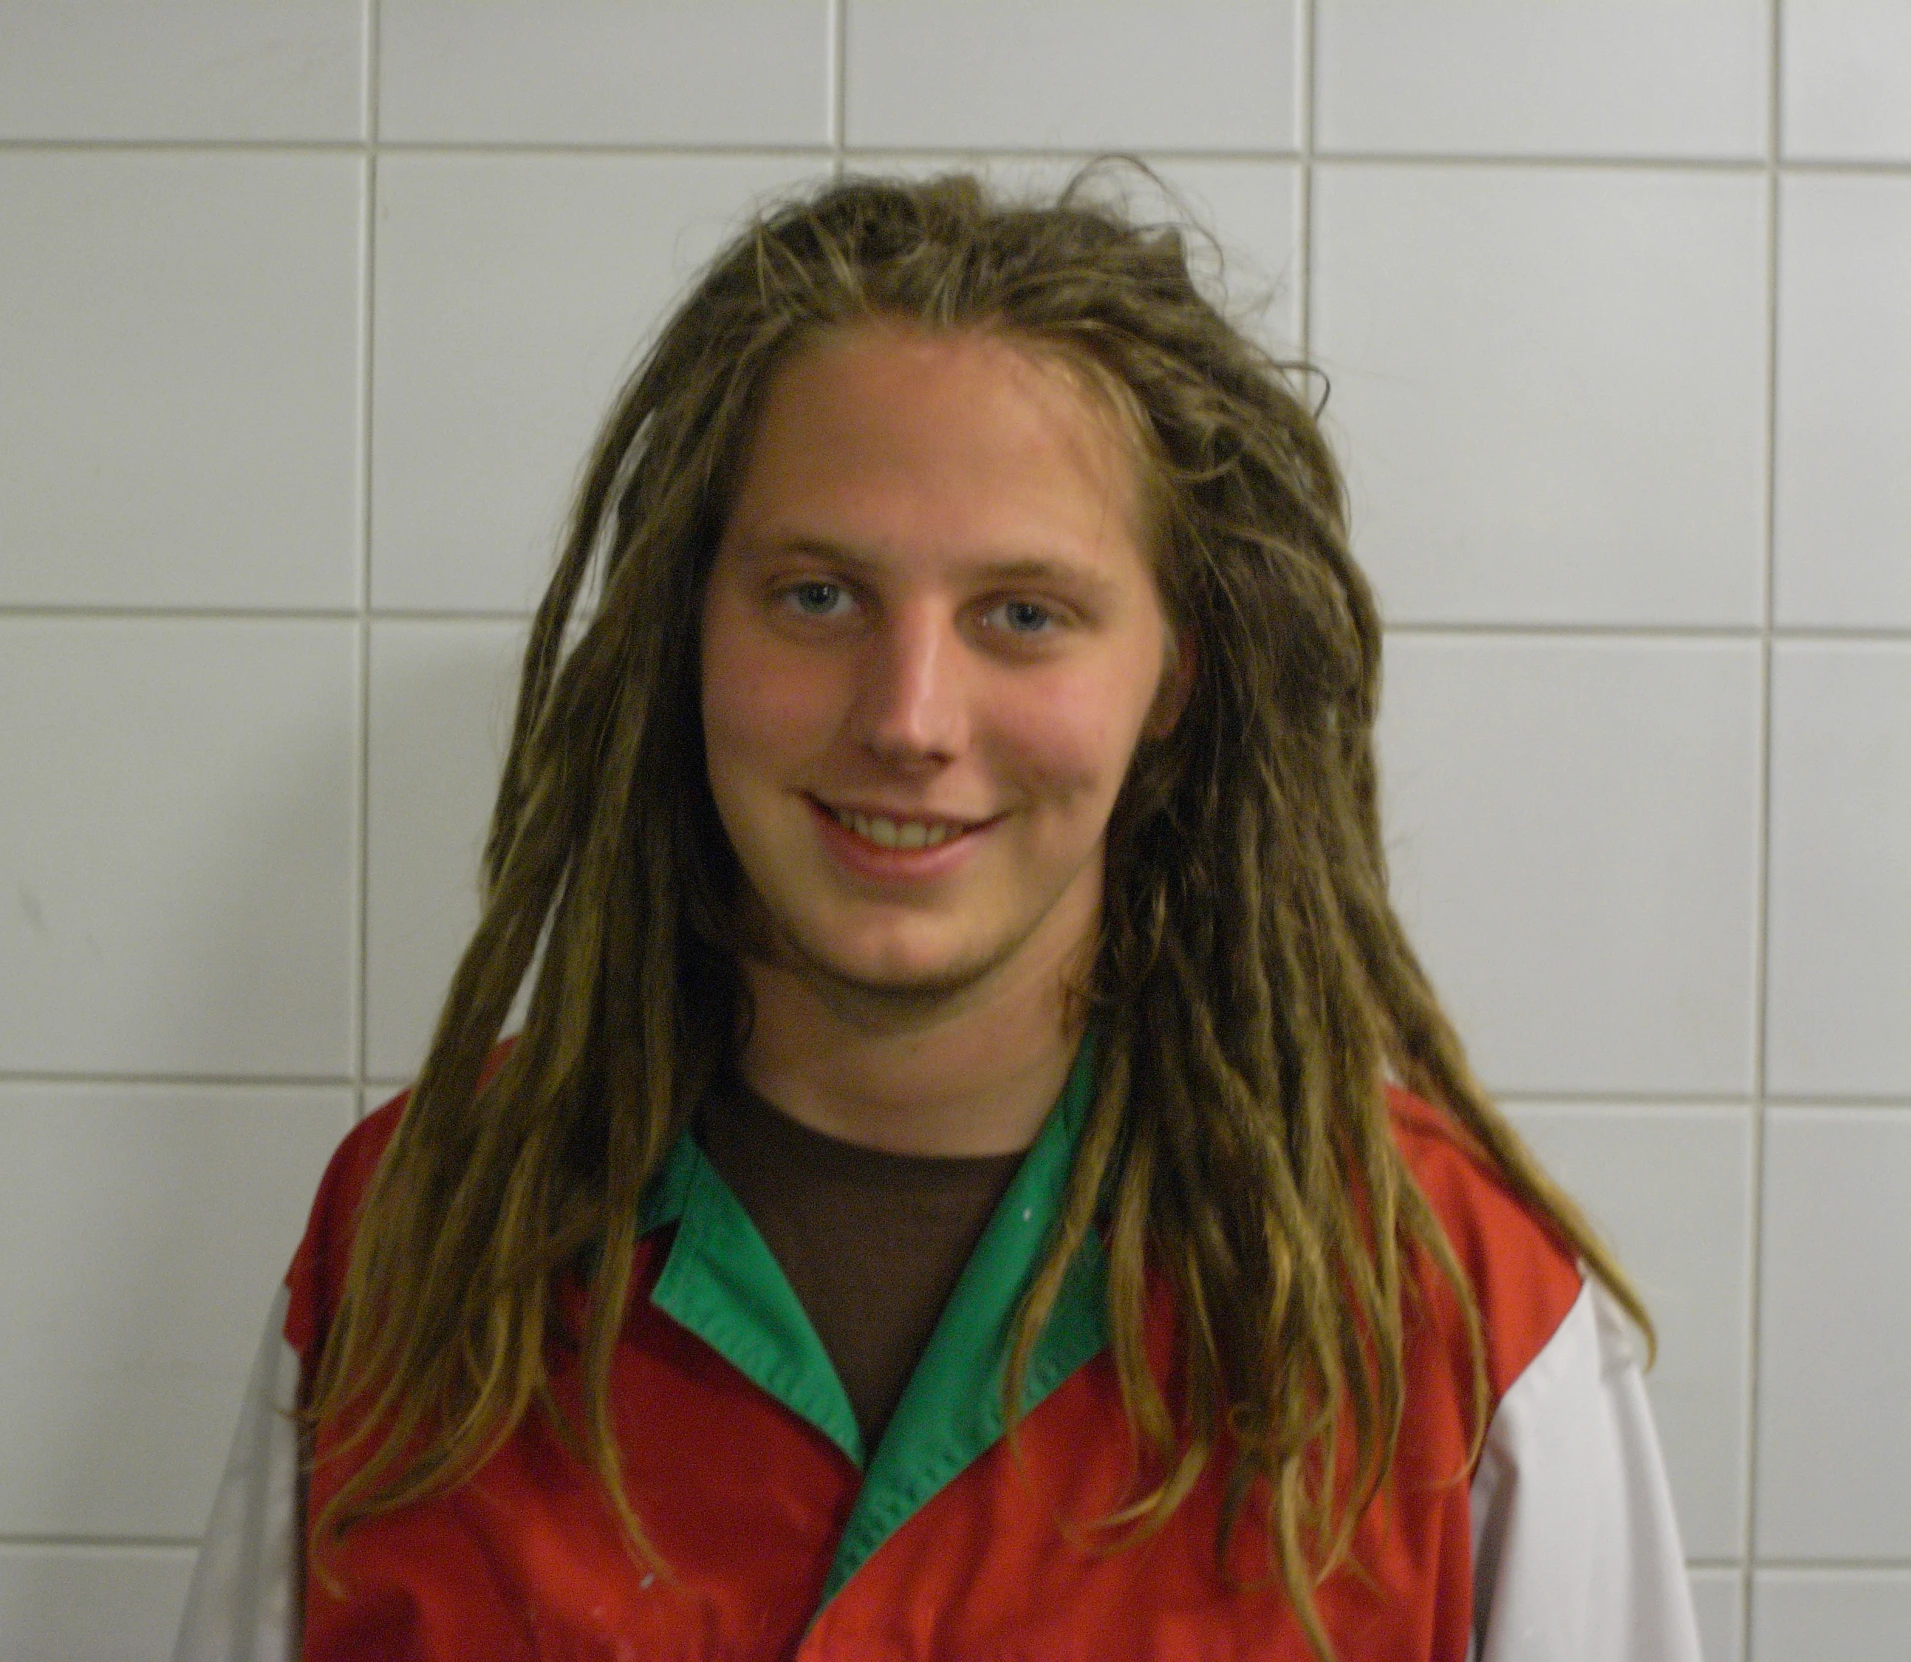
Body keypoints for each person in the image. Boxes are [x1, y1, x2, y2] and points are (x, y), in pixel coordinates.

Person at [175, 169, 1701, 1661]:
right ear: (687, 630)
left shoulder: (1452, 1319)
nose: (909, 718)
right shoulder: (415, 1240)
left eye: (1023, 615)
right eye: (819, 596)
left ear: (1172, 679)